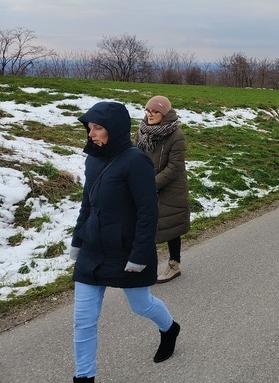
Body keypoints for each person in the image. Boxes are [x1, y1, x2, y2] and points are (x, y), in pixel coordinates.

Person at [70, 101, 180, 383]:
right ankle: (85, 377)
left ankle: (169, 329)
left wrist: (140, 254)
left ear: (115, 129)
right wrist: (78, 238)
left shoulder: (135, 161)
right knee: (83, 321)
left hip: (126, 249)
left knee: (140, 305)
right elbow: (87, 202)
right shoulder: (93, 158)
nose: (91, 134)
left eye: (98, 128)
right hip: (93, 248)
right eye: (89, 128)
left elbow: (147, 211)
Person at [136, 95, 191, 283]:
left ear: (164, 113)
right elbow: (136, 155)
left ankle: (174, 265)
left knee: (170, 226)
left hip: (171, 188)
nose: (150, 115)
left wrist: (150, 184)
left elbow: (175, 167)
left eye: (155, 111)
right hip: (147, 184)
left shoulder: (176, 135)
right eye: (148, 111)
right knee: (145, 225)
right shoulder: (142, 132)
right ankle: (144, 265)